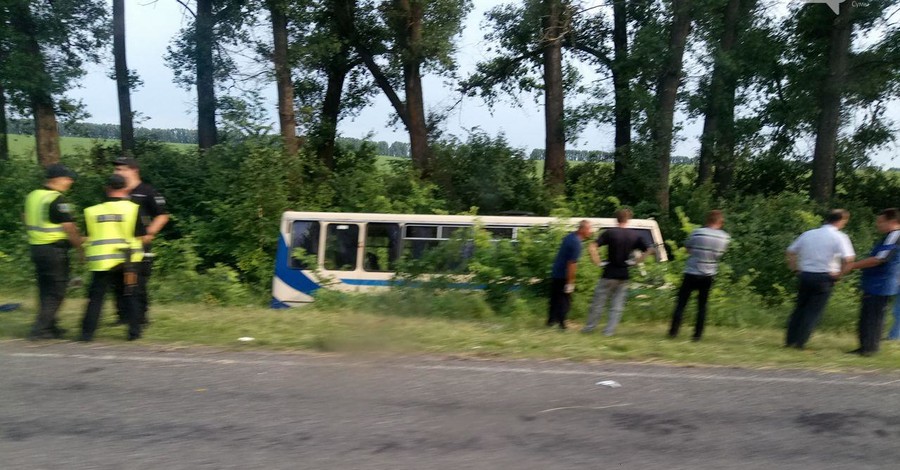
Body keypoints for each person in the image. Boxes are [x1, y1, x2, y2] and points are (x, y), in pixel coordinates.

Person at [80, 174, 146, 342]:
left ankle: (87, 334)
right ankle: (134, 332)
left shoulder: (92, 211)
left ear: (107, 189)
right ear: (126, 189)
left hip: (103, 262)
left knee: (96, 298)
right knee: (131, 293)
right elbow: (140, 236)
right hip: (127, 261)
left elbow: (88, 237)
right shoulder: (133, 209)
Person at [24, 164, 84, 340]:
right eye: (67, 178)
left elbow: (25, 216)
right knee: (57, 290)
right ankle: (40, 329)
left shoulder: (33, 196)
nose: (70, 181)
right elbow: (69, 227)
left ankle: (50, 326)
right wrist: (80, 248)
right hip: (53, 251)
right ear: (56, 179)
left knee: (45, 290)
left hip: (37, 248)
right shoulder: (58, 200)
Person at [785, 209, 855, 349]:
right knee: (813, 311)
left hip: (805, 274)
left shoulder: (808, 234)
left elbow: (790, 251)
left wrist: (795, 268)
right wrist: (840, 274)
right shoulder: (840, 237)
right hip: (824, 277)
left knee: (800, 308)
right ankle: (800, 342)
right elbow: (849, 259)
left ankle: (790, 340)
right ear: (841, 220)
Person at [113, 156, 169, 326]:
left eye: (121, 169)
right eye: (116, 169)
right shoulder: (117, 191)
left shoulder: (147, 191)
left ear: (134, 170)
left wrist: (150, 232)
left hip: (139, 244)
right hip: (118, 244)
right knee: (118, 281)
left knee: (138, 281)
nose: (116, 172)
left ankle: (141, 317)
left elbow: (163, 214)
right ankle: (123, 316)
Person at [582, 208, 655, 335]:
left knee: (599, 302)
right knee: (616, 306)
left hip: (609, 272)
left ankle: (590, 328)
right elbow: (649, 250)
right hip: (623, 274)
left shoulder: (609, 233)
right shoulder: (634, 235)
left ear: (616, 219)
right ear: (628, 220)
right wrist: (636, 262)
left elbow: (592, 246)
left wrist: (597, 262)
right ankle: (608, 332)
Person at [843, 208, 900, 356]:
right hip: (877, 283)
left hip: (881, 283)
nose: (877, 225)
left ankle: (869, 349)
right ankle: (866, 347)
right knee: (868, 316)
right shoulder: (890, 236)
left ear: (892, 221)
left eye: (881, 221)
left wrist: (852, 266)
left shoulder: (895, 236)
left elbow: (879, 259)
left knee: (873, 317)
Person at [668, 210, 731, 341]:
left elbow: (687, 249)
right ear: (720, 222)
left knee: (681, 303)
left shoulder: (697, 232)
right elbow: (719, 255)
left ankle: (673, 332)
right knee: (702, 305)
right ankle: (697, 335)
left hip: (691, 271)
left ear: (707, 220)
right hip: (709, 274)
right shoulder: (724, 237)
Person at [547, 220, 592, 329]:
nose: (591, 232)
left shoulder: (569, 237)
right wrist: (570, 282)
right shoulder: (576, 243)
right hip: (564, 274)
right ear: (582, 230)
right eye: (589, 229)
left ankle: (551, 321)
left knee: (555, 298)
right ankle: (562, 324)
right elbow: (571, 264)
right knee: (564, 299)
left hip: (556, 271)